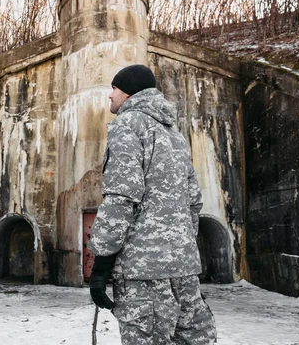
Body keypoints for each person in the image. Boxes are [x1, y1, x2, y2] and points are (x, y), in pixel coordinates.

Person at [88, 64, 217, 344]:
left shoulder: (127, 124)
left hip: (142, 272)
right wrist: (178, 249)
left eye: (114, 88)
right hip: (183, 269)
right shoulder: (175, 135)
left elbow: (121, 197)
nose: (110, 96)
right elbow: (193, 201)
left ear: (129, 92)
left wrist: (101, 263)